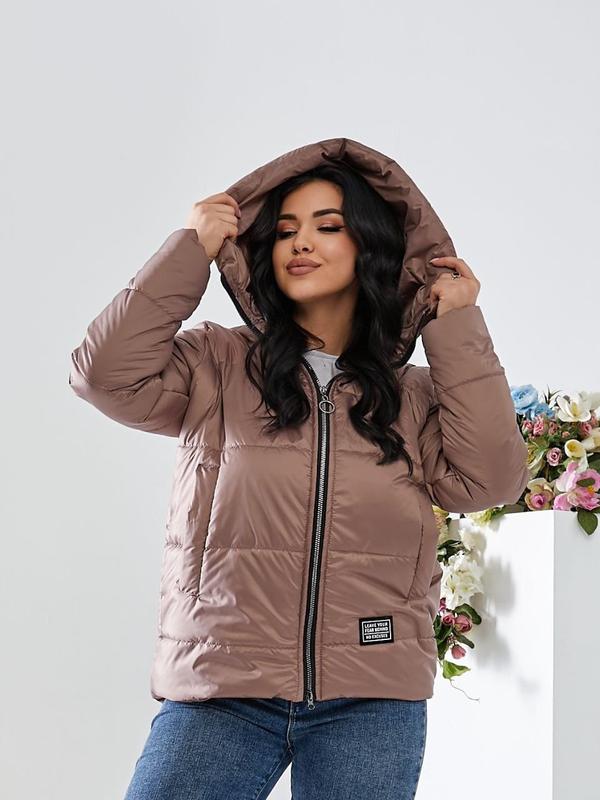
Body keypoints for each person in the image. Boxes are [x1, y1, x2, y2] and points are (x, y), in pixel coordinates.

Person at [69, 137, 529, 799]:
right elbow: (103, 375)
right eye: (285, 230)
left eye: (327, 226)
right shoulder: (216, 364)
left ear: (371, 245)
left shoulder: (414, 396)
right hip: (222, 687)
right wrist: (189, 250)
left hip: (370, 697)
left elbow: (491, 479)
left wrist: (456, 324)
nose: (300, 243)